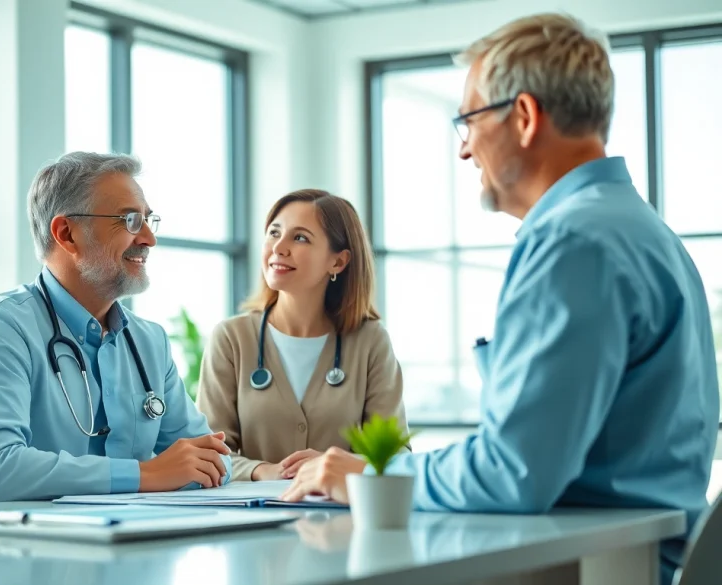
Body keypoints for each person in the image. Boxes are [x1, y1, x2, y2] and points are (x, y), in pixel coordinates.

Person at [280, 13, 719, 584]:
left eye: (469, 120)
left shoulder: (573, 241)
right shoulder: (642, 230)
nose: (465, 150)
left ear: (524, 117)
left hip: (593, 568)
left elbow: (515, 470)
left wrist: (371, 478)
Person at [0, 152, 232, 506]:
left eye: (148, 220)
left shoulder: (148, 341)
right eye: (130, 220)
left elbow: (214, 458)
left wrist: (194, 468)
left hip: (111, 532)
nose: (149, 238)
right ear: (67, 234)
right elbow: (0, 471)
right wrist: (146, 474)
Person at [196, 189, 409, 481]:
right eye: (274, 233)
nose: (278, 247)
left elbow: (395, 456)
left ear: (338, 262)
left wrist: (337, 465)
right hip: (256, 509)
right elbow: (210, 453)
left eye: (300, 238)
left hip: (340, 508)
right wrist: (262, 470)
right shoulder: (232, 339)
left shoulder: (370, 341)